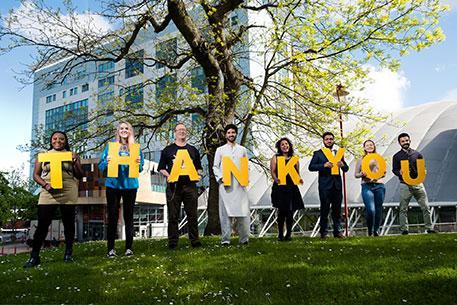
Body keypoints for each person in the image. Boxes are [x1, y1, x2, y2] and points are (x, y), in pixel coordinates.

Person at [24, 131, 83, 268]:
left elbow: (79, 175)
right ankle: (34, 256)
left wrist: (75, 162)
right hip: (48, 190)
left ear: (65, 141)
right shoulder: (43, 155)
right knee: (43, 224)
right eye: (55, 138)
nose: (58, 141)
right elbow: (36, 175)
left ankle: (68, 253)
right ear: (51, 141)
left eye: (62, 139)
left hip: (68, 189)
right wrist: (45, 185)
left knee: (68, 223)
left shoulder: (72, 154)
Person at [98, 121, 144, 257]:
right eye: (121, 128)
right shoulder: (110, 147)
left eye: (127, 128)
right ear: (118, 131)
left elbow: (140, 168)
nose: (124, 130)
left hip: (130, 185)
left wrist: (138, 163)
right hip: (113, 185)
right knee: (112, 216)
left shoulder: (135, 148)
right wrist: (106, 162)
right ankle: (111, 249)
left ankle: (129, 249)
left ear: (130, 131)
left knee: (128, 217)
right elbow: (101, 167)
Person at [158, 122, 202, 249]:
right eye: (179, 130)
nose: (182, 131)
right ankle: (172, 242)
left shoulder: (193, 150)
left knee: (192, 214)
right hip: (174, 187)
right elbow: (161, 168)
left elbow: (199, 168)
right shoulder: (168, 150)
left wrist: (198, 175)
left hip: (190, 186)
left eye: (184, 129)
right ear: (175, 132)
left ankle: (195, 241)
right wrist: (169, 176)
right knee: (173, 215)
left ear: (186, 132)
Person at [213, 124, 250, 245]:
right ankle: (225, 240)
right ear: (225, 135)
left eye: (233, 132)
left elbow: (246, 166)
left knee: (242, 212)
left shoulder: (242, 150)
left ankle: (244, 239)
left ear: (236, 134)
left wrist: (245, 179)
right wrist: (221, 178)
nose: (231, 134)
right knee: (225, 213)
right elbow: (215, 166)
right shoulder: (220, 150)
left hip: (240, 186)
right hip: (226, 186)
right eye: (229, 132)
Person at [392, 133, 436, 235]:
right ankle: (404, 230)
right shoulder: (397, 156)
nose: (405, 143)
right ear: (399, 143)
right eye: (403, 141)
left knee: (425, 207)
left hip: (418, 183)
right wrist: (400, 173)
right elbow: (394, 169)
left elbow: (422, 166)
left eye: (406, 140)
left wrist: (424, 170)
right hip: (405, 184)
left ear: (410, 141)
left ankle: (429, 228)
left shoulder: (417, 154)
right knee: (403, 208)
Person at [308, 132, 349, 239]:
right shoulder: (318, 153)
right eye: (327, 139)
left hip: (337, 185)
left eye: (331, 139)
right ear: (323, 141)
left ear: (333, 140)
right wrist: (323, 165)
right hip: (325, 186)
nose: (329, 141)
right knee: (324, 209)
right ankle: (324, 232)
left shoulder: (338, 153)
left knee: (337, 210)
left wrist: (342, 165)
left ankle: (337, 232)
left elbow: (346, 169)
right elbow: (311, 167)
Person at [270, 137, 304, 241]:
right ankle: (280, 234)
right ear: (280, 147)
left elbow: (297, 172)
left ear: (289, 145)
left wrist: (299, 179)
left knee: (290, 212)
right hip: (280, 187)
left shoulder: (294, 158)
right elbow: (273, 171)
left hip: (292, 188)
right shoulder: (275, 157)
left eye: (286, 144)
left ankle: (288, 234)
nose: (285, 146)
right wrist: (276, 179)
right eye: (282, 145)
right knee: (281, 212)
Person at [354, 140, 385, 236]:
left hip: (379, 186)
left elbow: (383, 173)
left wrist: (378, 176)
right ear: (364, 148)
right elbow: (356, 174)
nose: (369, 146)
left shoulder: (379, 158)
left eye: (371, 145)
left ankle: (376, 231)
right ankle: (370, 230)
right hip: (366, 186)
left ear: (374, 146)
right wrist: (362, 174)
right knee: (371, 210)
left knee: (378, 209)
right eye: (367, 145)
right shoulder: (361, 159)